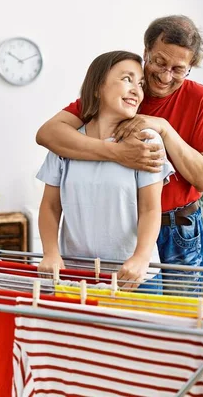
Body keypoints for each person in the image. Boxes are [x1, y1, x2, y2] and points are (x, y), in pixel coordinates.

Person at [36, 15, 203, 293]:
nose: (165, 75)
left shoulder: (200, 99)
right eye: (159, 62)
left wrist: (165, 129)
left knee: (178, 318)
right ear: (146, 51)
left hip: (177, 227)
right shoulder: (125, 88)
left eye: (178, 69)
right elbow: (48, 134)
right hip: (122, 230)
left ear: (189, 68)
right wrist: (118, 153)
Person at [36, 50, 174, 291]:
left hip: (134, 277)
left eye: (140, 83)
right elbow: (50, 206)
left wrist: (141, 259)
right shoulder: (64, 144)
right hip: (76, 277)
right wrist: (50, 253)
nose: (136, 90)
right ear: (98, 86)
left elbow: (150, 208)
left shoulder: (145, 140)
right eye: (127, 79)